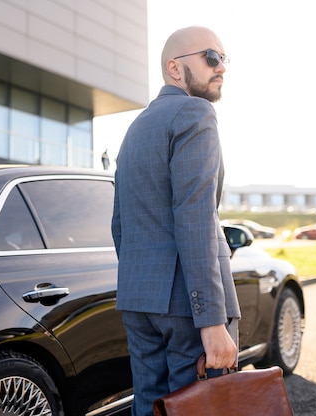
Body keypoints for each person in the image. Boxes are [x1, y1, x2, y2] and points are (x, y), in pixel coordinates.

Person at [111, 26, 241, 415]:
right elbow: (196, 215)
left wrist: (144, 282)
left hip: (138, 300)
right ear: (174, 68)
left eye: (224, 59)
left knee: (150, 405)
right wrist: (212, 320)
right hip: (187, 307)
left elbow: (120, 222)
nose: (221, 68)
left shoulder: (135, 129)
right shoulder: (195, 112)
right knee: (201, 407)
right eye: (211, 58)